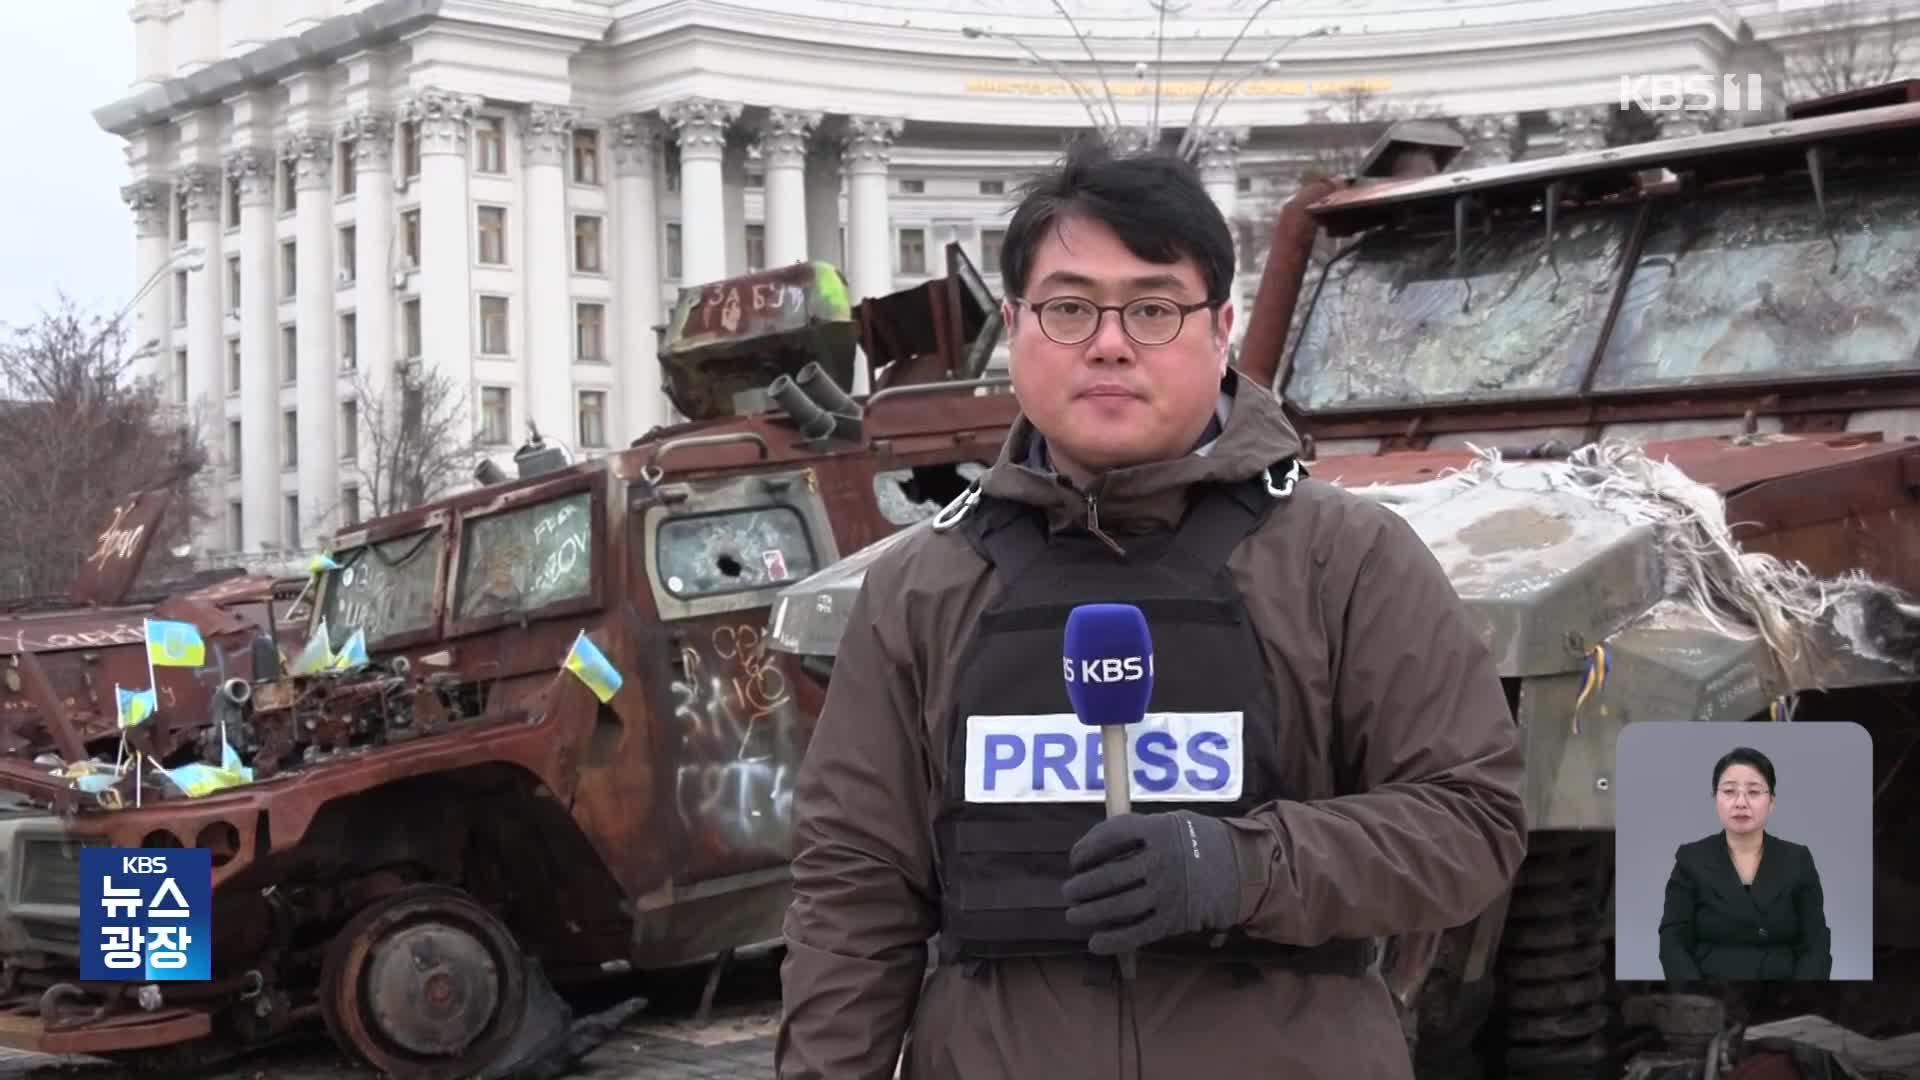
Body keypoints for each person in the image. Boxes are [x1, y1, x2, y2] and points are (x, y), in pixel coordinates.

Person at [775, 138, 1529, 1080]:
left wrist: (1242, 867)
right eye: (1069, 307)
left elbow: (1471, 822)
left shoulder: (1346, 558)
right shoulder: (921, 588)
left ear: (1221, 332)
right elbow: (853, 893)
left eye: (1153, 308)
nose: (1109, 341)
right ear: (1014, 327)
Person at [1657, 746, 1831, 981]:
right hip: (1711, 988)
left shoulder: (1797, 859)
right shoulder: (1691, 859)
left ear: (1771, 801)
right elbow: (1672, 942)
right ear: (1715, 798)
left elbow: (1816, 943)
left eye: (1754, 792)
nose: (1741, 803)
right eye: (1729, 791)